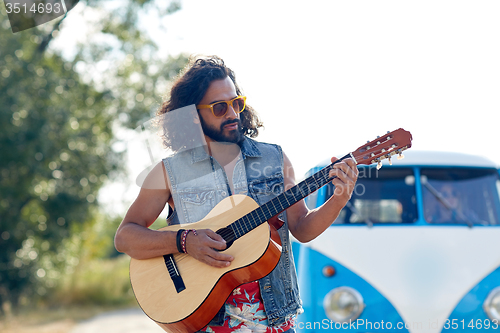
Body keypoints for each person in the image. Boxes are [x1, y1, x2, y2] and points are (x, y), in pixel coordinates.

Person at [114, 56, 359, 332]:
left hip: (276, 321)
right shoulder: (168, 172)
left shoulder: (274, 159)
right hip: (206, 322)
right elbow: (125, 237)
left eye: (236, 103)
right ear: (193, 115)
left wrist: (339, 199)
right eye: (219, 107)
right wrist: (184, 241)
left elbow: (302, 228)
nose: (232, 113)